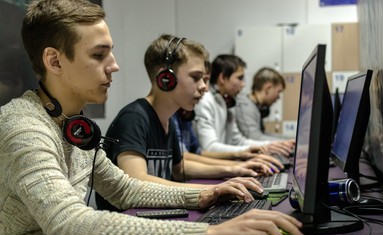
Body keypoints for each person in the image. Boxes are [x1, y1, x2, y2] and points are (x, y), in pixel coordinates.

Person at [0, 0, 303, 235]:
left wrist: (206, 195)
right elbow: (72, 228)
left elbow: (123, 189)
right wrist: (209, 234)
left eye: (111, 53)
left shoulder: (74, 128)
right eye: (98, 55)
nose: (114, 65)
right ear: (54, 61)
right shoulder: (24, 128)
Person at [95, 35, 278, 212]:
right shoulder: (134, 118)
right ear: (165, 78)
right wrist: (212, 189)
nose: (204, 86)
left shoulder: (168, 119)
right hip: (128, 225)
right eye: (196, 77)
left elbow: (178, 167)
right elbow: (137, 180)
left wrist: (234, 170)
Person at [172, 61, 285, 173]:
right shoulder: (205, 101)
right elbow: (204, 150)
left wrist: (242, 161)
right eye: (196, 78)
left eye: (205, 80)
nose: (204, 88)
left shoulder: (226, 103)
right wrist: (237, 164)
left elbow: (198, 153)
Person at [193, 54, 295, 155]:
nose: (243, 84)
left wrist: (268, 146)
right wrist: (243, 153)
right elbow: (209, 147)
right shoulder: (205, 101)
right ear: (223, 78)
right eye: (239, 78)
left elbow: (237, 141)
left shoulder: (228, 102)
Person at [235, 67, 291, 141]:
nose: (278, 97)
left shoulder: (254, 105)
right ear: (268, 88)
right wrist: (290, 144)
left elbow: (262, 134)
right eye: (278, 92)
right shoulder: (245, 106)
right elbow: (255, 138)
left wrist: (291, 140)